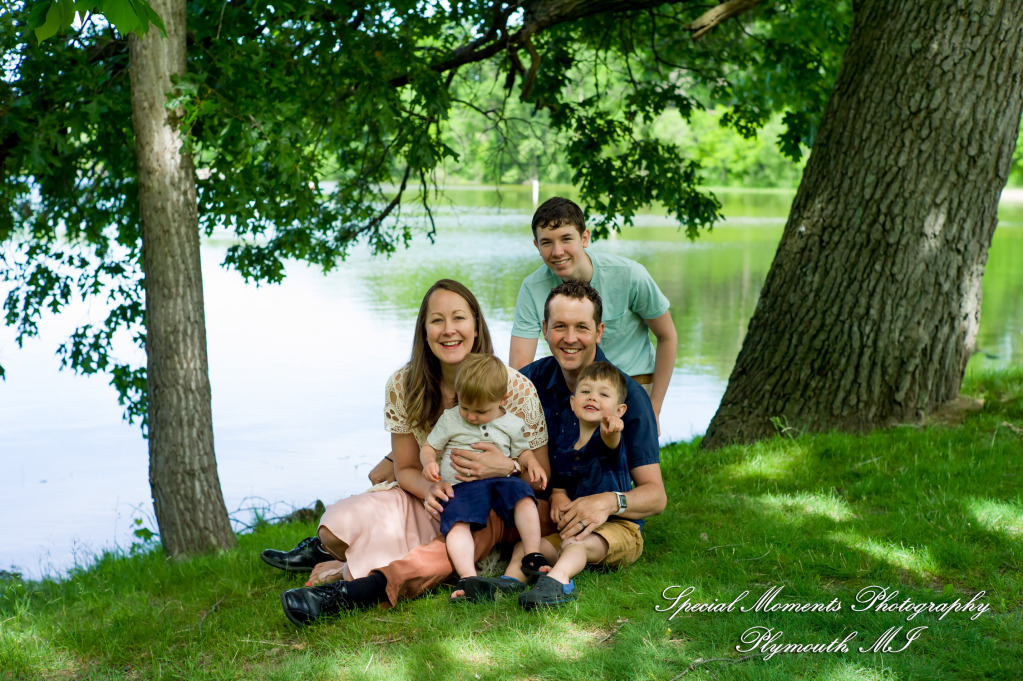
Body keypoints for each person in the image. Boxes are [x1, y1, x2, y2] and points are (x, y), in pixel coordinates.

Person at [266, 279, 550, 625]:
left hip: (499, 501)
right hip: (433, 493)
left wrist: (504, 467)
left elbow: (540, 481)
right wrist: (430, 489)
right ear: (424, 330)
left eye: (459, 318)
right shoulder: (405, 383)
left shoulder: (513, 387)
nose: (449, 330)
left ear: (476, 326)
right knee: (335, 530)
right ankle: (338, 560)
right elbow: (404, 469)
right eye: (437, 320)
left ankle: (356, 591)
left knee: (454, 539)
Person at [464, 280, 667, 606]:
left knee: (571, 543)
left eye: (581, 328)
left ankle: (553, 582)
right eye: (560, 326)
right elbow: (475, 419)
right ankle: (498, 580)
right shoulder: (525, 384)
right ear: (545, 329)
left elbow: (655, 496)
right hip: (544, 512)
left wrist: (607, 502)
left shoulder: (627, 397)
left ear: (599, 331)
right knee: (506, 532)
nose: (570, 338)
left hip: (608, 524)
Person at [508, 197, 678, 427]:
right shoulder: (531, 288)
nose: (557, 251)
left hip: (632, 391)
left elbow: (667, 336)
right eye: (547, 242)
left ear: (584, 238)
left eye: (566, 239)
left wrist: (654, 409)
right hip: (569, 396)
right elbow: (520, 367)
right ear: (537, 246)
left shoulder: (630, 275)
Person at [420, 353, 547, 600]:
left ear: (502, 400)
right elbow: (429, 447)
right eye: (465, 407)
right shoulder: (450, 419)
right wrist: (428, 464)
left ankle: (531, 555)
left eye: (480, 411)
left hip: (502, 480)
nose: (471, 416)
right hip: (463, 486)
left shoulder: (511, 423)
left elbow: (523, 451)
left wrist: (533, 464)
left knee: (523, 496)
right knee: (456, 520)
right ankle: (468, 577)